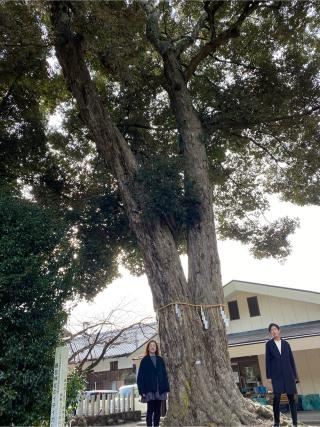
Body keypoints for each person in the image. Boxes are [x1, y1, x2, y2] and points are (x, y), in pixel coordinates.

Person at [266, 323, 299, 427]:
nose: (274, 331)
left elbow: (291, 360)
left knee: (291, 399)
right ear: (270, 333)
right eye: (271, 330)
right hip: (276, 375)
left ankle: (295, 423)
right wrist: (269, 376)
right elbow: (268, 361)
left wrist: (295, 376)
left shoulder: (286, 344)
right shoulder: (269, 344)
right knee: (276, 398)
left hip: (288, 374)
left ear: (279, 330)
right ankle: (276, 422)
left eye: (275, 329)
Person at [137, 340, 170, 427]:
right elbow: (140, 377)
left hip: (159, 389)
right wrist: (142, 390)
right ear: (148, 348)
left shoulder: (160, 360)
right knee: (150, 410)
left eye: (154, 346)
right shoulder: (144, 360)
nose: (152, 347)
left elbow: (164, 374)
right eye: (151, 346)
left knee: (157, 411)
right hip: (149, 389)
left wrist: (165, 388)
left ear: (156, 348)